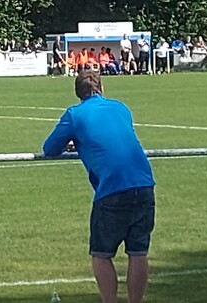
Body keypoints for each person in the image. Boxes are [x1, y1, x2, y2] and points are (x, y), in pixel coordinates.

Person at [43, 71, 155, 303]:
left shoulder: (75, 114)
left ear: (77, 93)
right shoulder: (121, 108)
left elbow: (50, 148)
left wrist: (75, 141)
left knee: (101, 253)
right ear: (101, 88)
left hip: (112, 187)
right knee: (138, 251)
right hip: (144, 183)